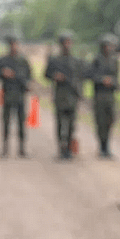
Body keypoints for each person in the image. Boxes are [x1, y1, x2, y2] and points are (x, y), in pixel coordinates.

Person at [45, 30, 83, 159]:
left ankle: (69, 149)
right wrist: (54, 76)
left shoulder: (76, 61)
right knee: (60, 124)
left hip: (72, 95)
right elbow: (46, 74)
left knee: (72, 125)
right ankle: (61, 148)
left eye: (70, 42)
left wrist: (80, 93)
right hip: (60, 95)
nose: (68, 44)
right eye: (66, 42)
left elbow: (80, 78)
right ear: (61, 44)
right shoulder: (55, 60)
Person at [0, 34, 32, 158]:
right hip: (7, 93)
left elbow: (29, 76)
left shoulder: (23, 60)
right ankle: (5, 148)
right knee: (6, 122)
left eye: (16, 44)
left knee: (21, 122)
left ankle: (22, 148)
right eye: (12, 44)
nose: (14, 46)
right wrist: (3, 73)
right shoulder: (2, 60)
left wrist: (23, 81)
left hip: (20, 94)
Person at [89, 33, 120, 158]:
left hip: (110, 95)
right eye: (107, 45)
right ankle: (102, 146)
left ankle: (107, 145)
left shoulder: (115, 61)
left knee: (110, 120)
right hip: (100, 94)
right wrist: (102, 80)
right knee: (100, 121)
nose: (110, 48)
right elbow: (91, 75)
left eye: (111, 45)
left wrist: (113, 82)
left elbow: (117, 77)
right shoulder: (97, 60)